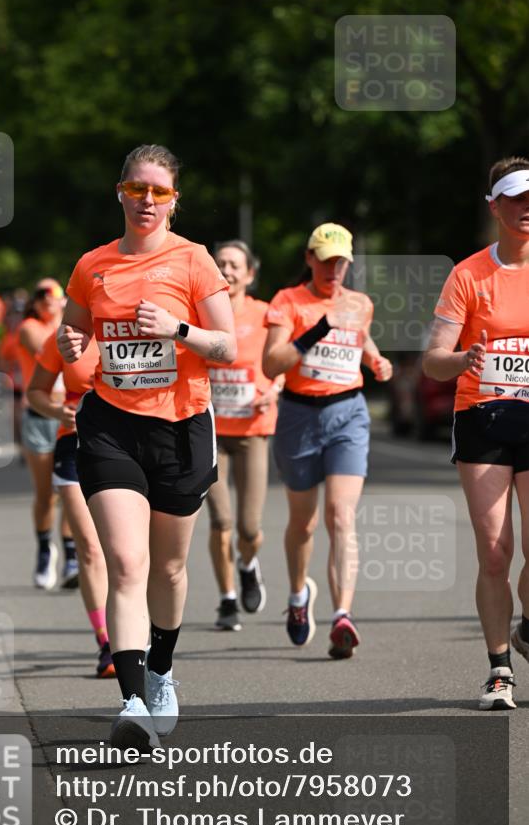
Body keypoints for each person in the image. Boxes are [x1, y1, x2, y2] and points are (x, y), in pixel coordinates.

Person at [57, 143, 236, 749]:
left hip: (182, 427)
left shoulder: (194, 261)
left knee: (169, 566)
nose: (147, 201)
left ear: (174, 200)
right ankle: (132, 701)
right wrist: (71, 347)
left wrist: (178, 329)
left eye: (159, 191)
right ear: (121, 192)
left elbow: (229, 347)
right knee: (127, 563)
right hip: (110, 423)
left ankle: (161, 670)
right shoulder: (92, 265)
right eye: (137, 189)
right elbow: (79, 340)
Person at [423, 157, 529, 710]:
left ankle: (528, 626)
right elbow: (433, 361)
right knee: (495, 551)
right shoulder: (469, 274)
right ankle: (499, 670)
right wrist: (465, 357)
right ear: (495, 206)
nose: (527, 207)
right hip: (484, 416)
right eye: (515, 197)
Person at [262, 223, 392, 659]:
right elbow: (270, 363)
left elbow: (360, 336)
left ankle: (342, 616)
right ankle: (299, 595)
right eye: (326, 260)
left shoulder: (360, 304)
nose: (333, 269)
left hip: (347, 414)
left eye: (341, 262)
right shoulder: (288, 301)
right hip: (299, 415)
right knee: (304, 523)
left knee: (341, 514)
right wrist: (319, 328)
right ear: (309, 259)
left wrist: (374, 359)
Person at [27, 329, 115, 678]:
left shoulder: (133, 326)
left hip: (129, 445)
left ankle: (138, 633)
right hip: (75, 446)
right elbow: (35, 392)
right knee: (91, 548)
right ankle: (107, 642)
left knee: (132, 549)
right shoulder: (62, 338)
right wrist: (57, 411)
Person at [206, 240, 282, 631]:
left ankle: (248, 564)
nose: (228, 270)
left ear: (249, 274)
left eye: (235, 265)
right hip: (211, 433)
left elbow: (283, 359)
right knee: (220, 521)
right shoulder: (201, 311)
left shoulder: (266, 313)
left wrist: (277, 387)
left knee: (249, 527)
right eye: (221, 264)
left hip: (253, 430)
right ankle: (227, 598)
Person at [18, 281, 74, 590]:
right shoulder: (30, 327)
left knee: (70, 488)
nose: (46, 300)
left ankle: (70, 554)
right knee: (46, 494)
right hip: (41, 416)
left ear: (64, 299)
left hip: (68, 415)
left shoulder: (72, 327)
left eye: (52, 293)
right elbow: (50, 351)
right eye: (40, 295)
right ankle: (43, 549)